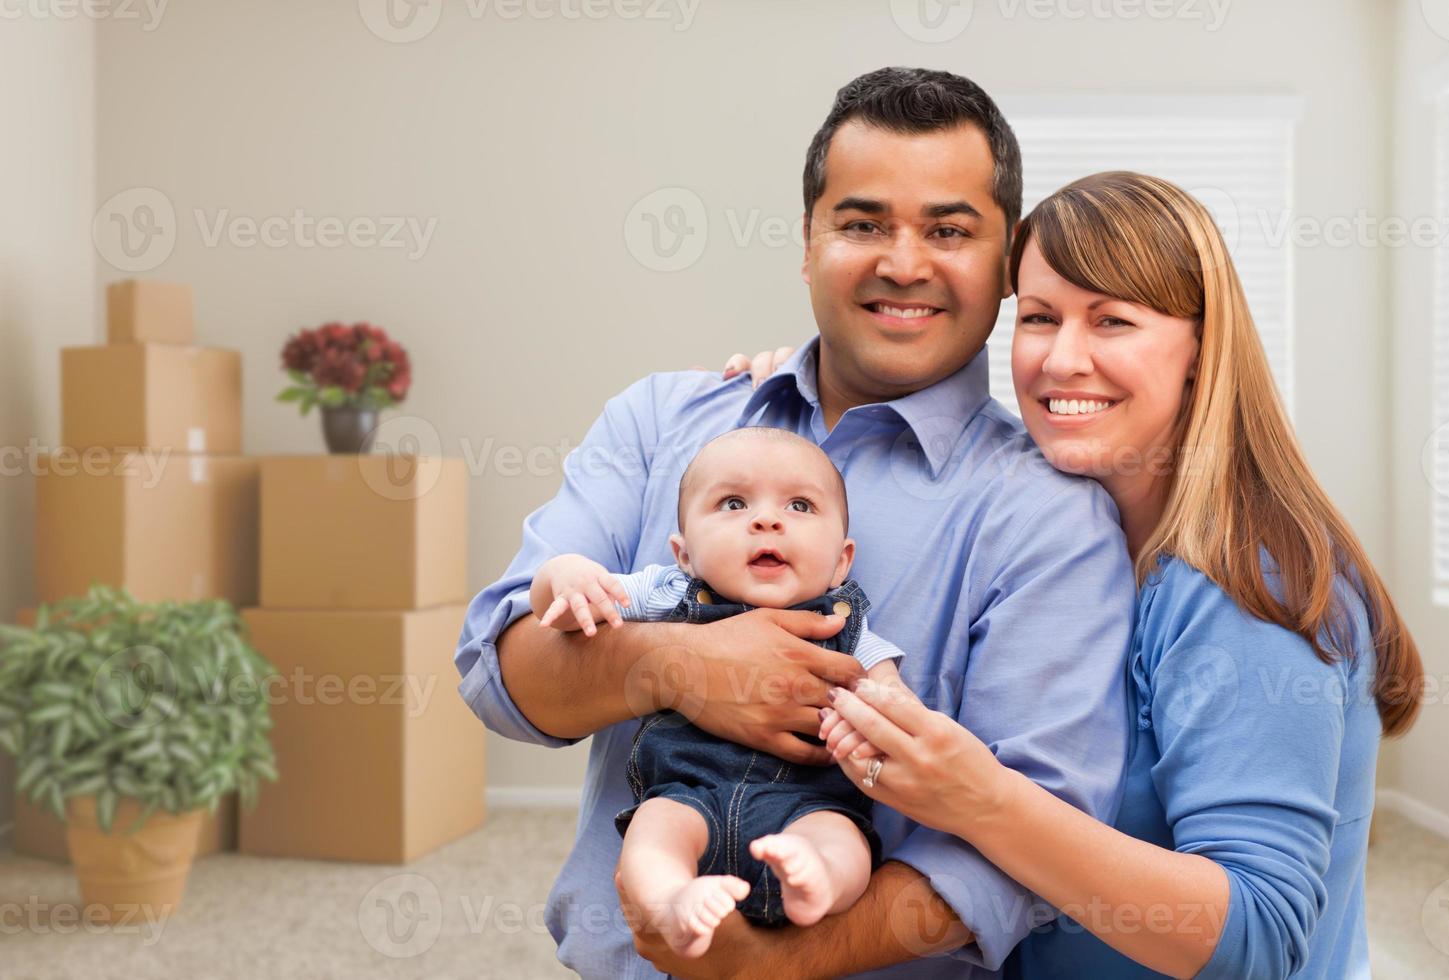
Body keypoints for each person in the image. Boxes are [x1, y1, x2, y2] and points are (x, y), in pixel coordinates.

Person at [455, 67, 1137, 978]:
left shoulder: (1052, 516)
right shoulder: (661, 422)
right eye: (862, 224)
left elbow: (1029, 844)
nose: (903, 263)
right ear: (808, 242)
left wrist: (766, 964)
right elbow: (502, 675)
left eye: (949, 229)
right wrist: (679, 666)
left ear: (1006, 259)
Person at [732, 171, 1424, 979]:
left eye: (1113, 321)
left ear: (1202, 348)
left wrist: (981, 799)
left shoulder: (1242, 585)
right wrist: (809, 392)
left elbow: (1261, 939)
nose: (1064, 360)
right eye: (1038, 318)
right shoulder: (1069, 537)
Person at [530, 427, 904, 958]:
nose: (767, 520)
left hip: (807, 803)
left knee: (843, 842)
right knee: (652, 835)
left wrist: (881, 720)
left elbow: (893, 703)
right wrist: (564, 576)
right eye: (733, 502)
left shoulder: (849, 626)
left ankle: (814, 881)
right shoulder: (667, 592)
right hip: (686, 794)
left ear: (841, 561)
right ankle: (672, 900)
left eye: (800, 505)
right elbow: (565, 611)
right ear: (684, 554)